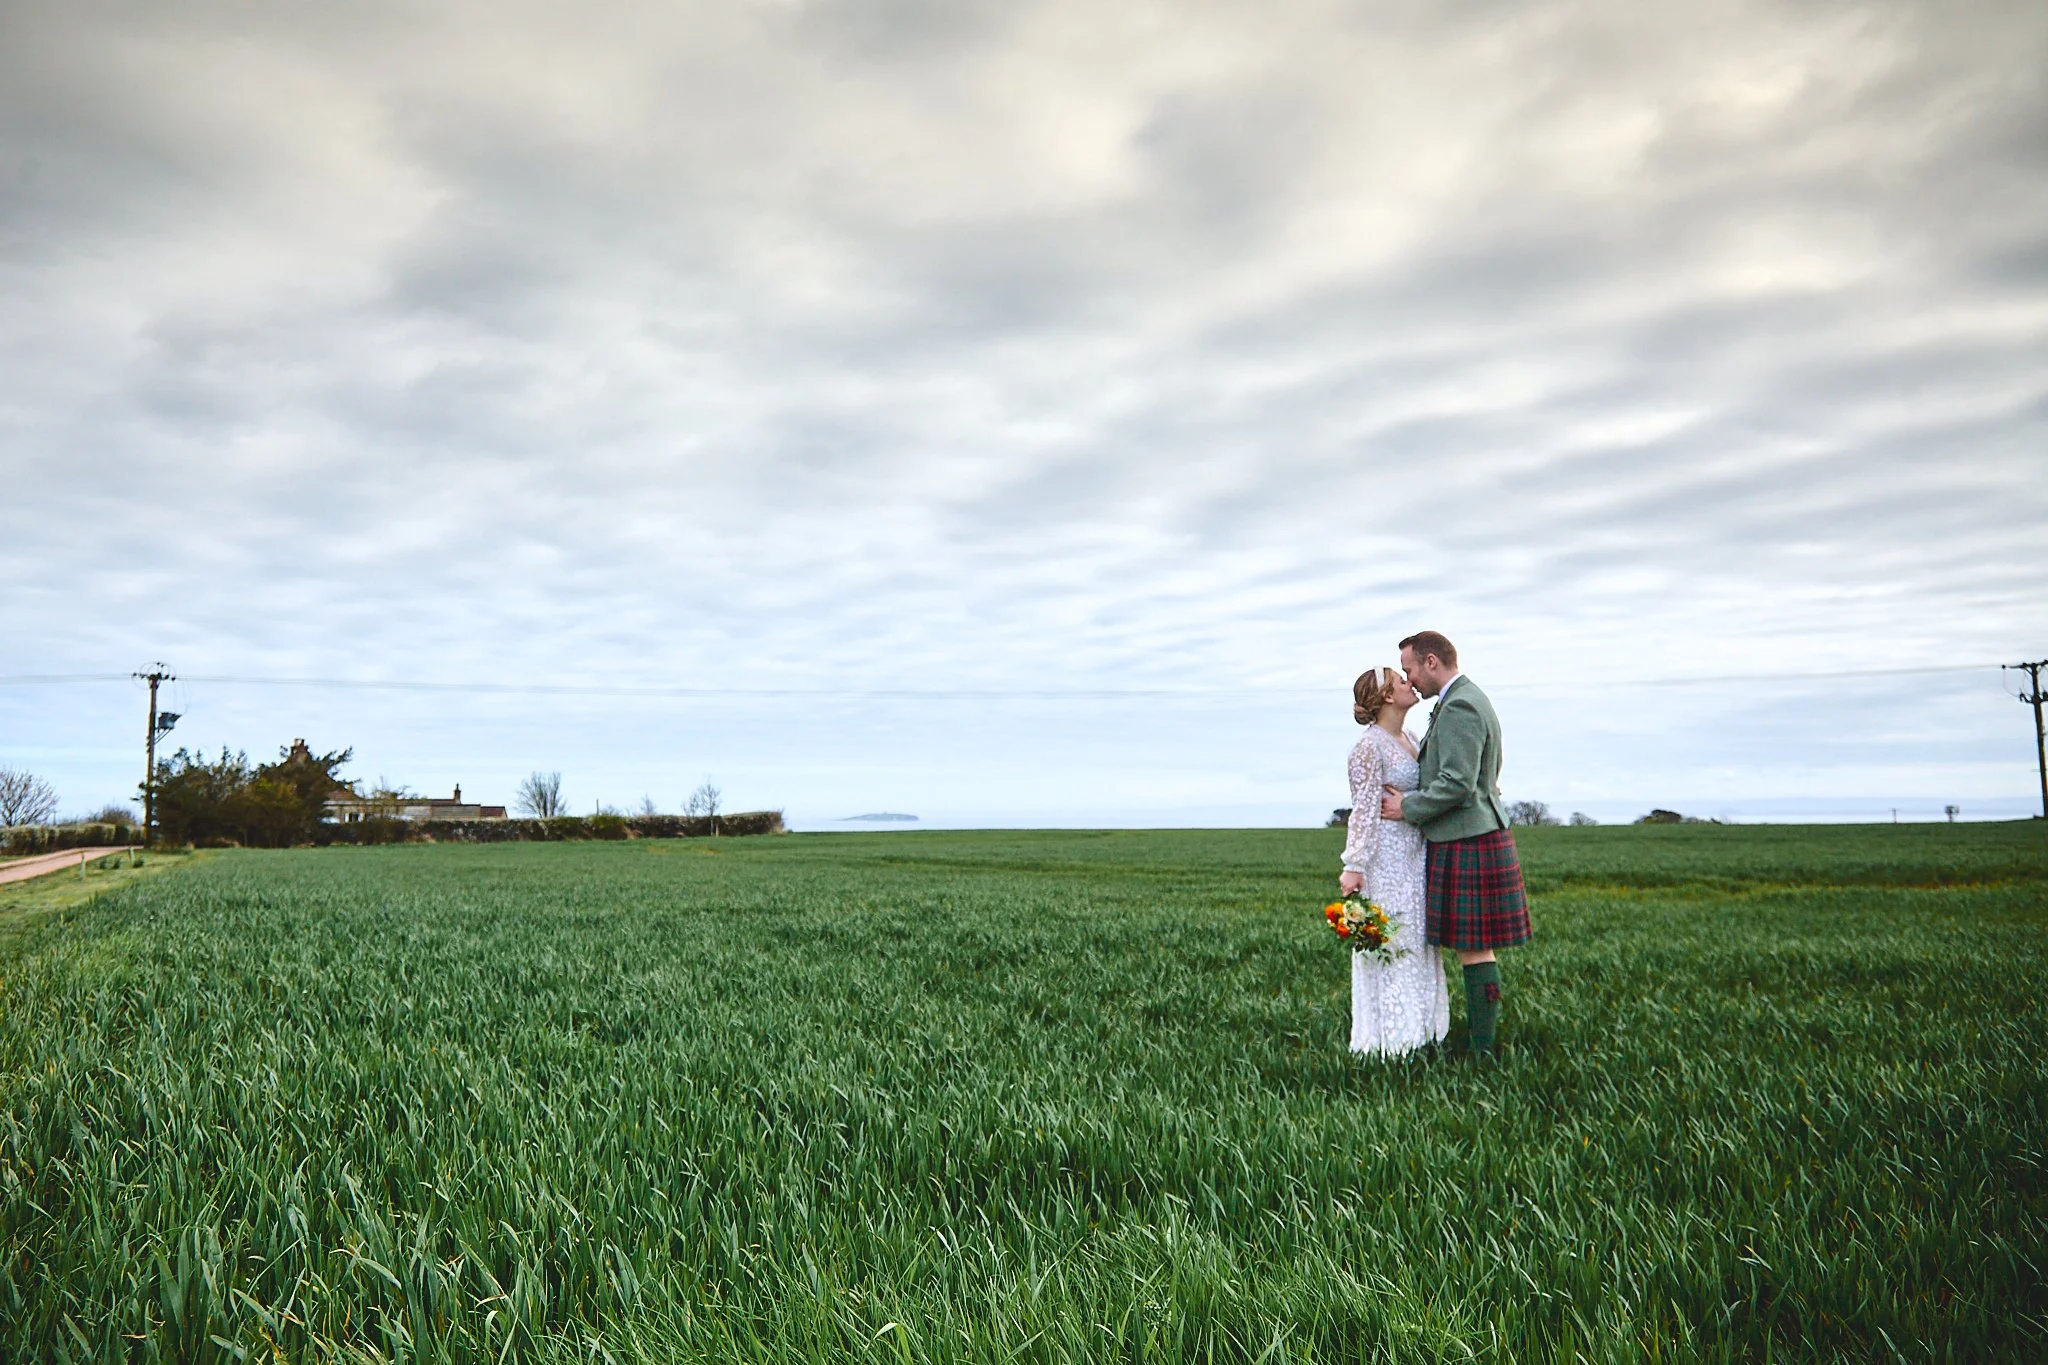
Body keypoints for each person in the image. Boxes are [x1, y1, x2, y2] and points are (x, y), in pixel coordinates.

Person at [1379, 631, 1530, 1055]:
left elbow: (1458, 783)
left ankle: (1483, 1052)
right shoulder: (1461, 699)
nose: (1409, 679)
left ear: (1431, 662)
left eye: (1409, 669)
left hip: (1469, 837)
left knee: (1475, 950)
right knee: (1474, 948)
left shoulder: (1461, 704)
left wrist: (1407, 807)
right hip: (1470, 833)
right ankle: (1481, 1045)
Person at [1339, 666, 1450, 1056]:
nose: (1410, 683)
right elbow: (1363, 810)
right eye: (1401, 681)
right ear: (1387, 695)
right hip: (1384, 858)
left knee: (1418, 937)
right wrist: (1354, 865)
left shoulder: (1411, 738)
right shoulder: (1367, 748)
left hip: (1415, 853)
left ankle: (1425, 1033)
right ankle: (1392, 1041)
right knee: (1394, 939)